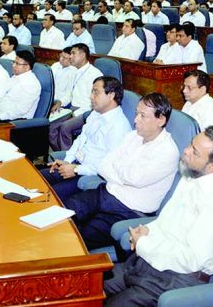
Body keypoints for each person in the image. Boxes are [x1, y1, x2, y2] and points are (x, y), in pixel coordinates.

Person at [105, 127, 213, 307]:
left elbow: (192, 260)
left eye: (195, 152)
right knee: (88, 286)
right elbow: (167, 220)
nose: (186, 151)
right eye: (191, 144)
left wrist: (143, 243)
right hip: (149, 261)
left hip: (176, 279)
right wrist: (148, 230)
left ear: (212, 166)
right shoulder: (193, 173)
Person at [65, 93, 179, 249]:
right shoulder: (133, 136)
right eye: (136, 113)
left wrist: (117, 170)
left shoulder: (167, 151)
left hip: (128, 210)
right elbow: (103, 164)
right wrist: (122, 174)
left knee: (79, 241)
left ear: (161, 120)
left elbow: (135, 178)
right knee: (64, 213)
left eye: (143, 116)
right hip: (105, 193)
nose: (135, 120)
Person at [43, 76, 131, 200]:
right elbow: (80, 139)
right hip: (75, 165)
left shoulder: (119, 127)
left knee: (50, 197)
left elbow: (109, 166)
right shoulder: (96, 113)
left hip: (88, 174)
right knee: (38, 178)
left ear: (111, 95)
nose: (91, 96)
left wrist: (77, 169)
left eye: (96, 92)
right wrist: (68, 160)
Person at [48, 44, 105, 150]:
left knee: (65, 127)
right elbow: (69, 94)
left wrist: (76, 113)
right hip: (71, 108)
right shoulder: (74, 71)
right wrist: (60, 102)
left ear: (83, 55)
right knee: (51, 125)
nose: (70, 56)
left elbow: (96, 102)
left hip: (86, 111)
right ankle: (60, 154)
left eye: (73, 53)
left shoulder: (95, 74)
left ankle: (68, 161)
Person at [0, 50, 41, 123]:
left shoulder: (32, 84)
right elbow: (1, 96)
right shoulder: (15, 77)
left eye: (17, 63)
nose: (13, 65)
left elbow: (21, 110)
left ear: (27, 67)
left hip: (15, 122)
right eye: (14, 62)